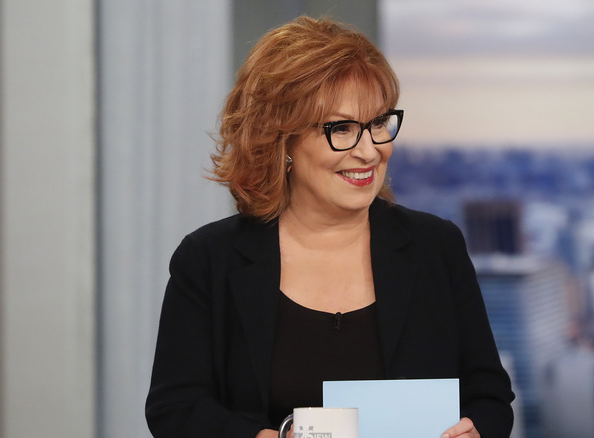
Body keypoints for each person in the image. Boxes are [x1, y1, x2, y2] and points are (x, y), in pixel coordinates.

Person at [145, 16, 515, 438]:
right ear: (280, 140)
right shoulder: (209, 260)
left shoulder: (436, 246)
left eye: (378, 123)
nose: (369, 150)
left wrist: (476, 430)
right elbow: (175, 409)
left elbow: (490, 396)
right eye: (341, 129)